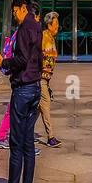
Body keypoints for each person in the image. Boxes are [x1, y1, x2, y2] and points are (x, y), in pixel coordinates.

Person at [0, 0, 42, 183]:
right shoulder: (37, 27)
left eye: (14, 10)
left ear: (21, 8)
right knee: (29, 148)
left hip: (22, 91)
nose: (14, 14)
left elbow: (20, 61)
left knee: (16, 149)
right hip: (35, 88)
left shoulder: (23, 30)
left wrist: (3, 62)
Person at [39, 11, 61, 148]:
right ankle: (50, 137)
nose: (57, 27)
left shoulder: (52, 39)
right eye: (56, 24)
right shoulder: (44, 37)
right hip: (39, 78)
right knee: (45, 105)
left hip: (46, 79)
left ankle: (24, 133)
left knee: (36, 109)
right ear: (49, 24)